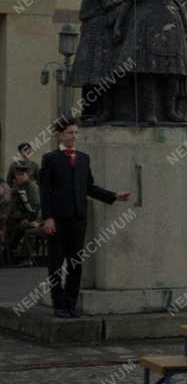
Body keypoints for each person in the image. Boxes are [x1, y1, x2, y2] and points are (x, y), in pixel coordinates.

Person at [39, 118, 131, 317]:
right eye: (70, 132)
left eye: (76, 133)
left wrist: (114, 196)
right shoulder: (50, 159)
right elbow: (45, 191)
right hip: (57, 219)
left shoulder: (84, 158)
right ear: (60, 135)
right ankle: (59, 305)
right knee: (56, 263)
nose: (74, 136)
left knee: (75, 263)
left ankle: (71, 305)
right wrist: (48, 218)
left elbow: (89, 187)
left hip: (78, 218)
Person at [6, 164, 41, 261]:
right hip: (22, 216)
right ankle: (10, 253)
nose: (19, 177)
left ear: (27, 174)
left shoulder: (31, 186)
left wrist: (29, 220)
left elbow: (36, 206)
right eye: (17, 175)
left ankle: (18, 256)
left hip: (33, 218)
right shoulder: (19, 186)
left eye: (22, 174)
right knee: (10, 225)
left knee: (18, 228)